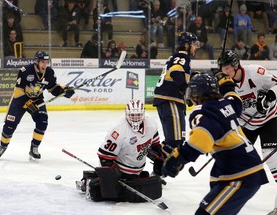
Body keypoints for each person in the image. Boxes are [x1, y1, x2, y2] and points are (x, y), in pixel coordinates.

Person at [162, 72, 269, 214]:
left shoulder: (204, 111)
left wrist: (177, 158)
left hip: (239, 176)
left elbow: (200, 141)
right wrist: (227, 84)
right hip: (245, 171)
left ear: (196, 93)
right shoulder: (226, 103)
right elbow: (235, 99)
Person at [217, 49, 277, 214]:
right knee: (233, 160)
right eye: (223, 68)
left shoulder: (255, 72)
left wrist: (269, 96)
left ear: (236, 65)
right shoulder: (224, 84)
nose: (225, 72)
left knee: (274, 163)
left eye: (228, 68)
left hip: (270, 120)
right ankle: (225, 199)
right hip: (247, 124)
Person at [76, 99, 163, 202]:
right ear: (126, 114)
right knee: (110, 193)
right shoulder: (118, 130)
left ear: (143, 114)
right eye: (132, 115)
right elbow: (105, 157)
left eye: (138, 115)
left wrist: (159, 159)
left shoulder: (151, 123)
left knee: (160, 161)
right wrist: (113, 177)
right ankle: (89, 183)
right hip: (121, 169)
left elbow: (155, 145)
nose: (135, 119)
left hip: (137, 168)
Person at [0, 51, 75, 160]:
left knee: (43, 121)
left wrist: (65, 92)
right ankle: (3, 146)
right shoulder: (25, 71)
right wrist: (27, 104)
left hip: (37, 99)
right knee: (10, 124)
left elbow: (52, 88)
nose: (45, 65)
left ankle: (34, 148)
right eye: (42, 62)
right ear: (36, 62)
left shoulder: (49, 73)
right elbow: (18, 91)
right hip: (20, 99)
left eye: (46, 62)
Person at [153, 32, 199, 163]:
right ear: (186, 45)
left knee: (174, 140)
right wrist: (186, 91)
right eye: (193, 44)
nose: (195, 47)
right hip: (170, 100)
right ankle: (155, 159)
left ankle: (158, 167)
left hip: (167, 101)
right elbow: (175, 71)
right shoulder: (182, 56)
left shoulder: (176, 56)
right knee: (175, 140)